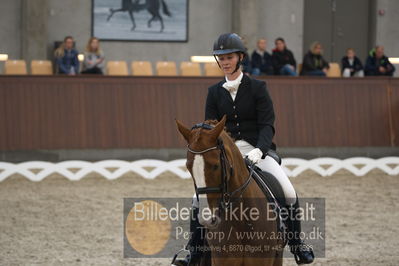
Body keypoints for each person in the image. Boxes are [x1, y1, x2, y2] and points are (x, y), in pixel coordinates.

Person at [172, 33, 314, 266]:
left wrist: (260, 150)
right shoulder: (214, 92)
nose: (225, 62)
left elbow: (267, 124)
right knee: (197, 200)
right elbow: (210, 126)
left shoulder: (258, 87)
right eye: (221, 58)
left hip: (258, 151)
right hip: (227, 151)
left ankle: (297, 244)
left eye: (229, 57)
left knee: (288, 192)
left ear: (239, 58)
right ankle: (193, 251)